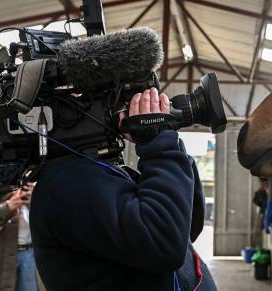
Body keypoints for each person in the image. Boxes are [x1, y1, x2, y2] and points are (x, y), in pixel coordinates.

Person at [30, 88, 216, 291]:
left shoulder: (100, 173)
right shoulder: (65, 184)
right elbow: (164, 243)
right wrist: (160, 146)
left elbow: (187, 229)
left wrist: (168, 142)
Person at [0, 183, 44, 291]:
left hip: (31, 257)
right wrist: (7, 208)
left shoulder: (40, 191)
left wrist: (39, 200)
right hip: (0, 259)